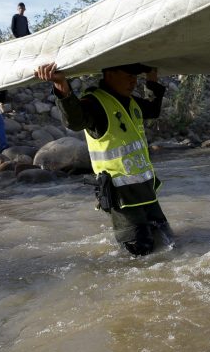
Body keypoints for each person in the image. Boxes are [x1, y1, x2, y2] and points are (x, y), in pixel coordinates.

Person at [36, 61, 174, 256]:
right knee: (140, 255)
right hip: (122, 196)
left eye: (136, 75)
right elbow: (74, 121)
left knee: (169, 242)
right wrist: (61, 86)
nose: (133, 80)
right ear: (109, 74)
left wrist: (152, 81)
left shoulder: (131, 101)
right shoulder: (94, 104)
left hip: (145, 191)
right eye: (128, 74)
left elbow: (153, 110)